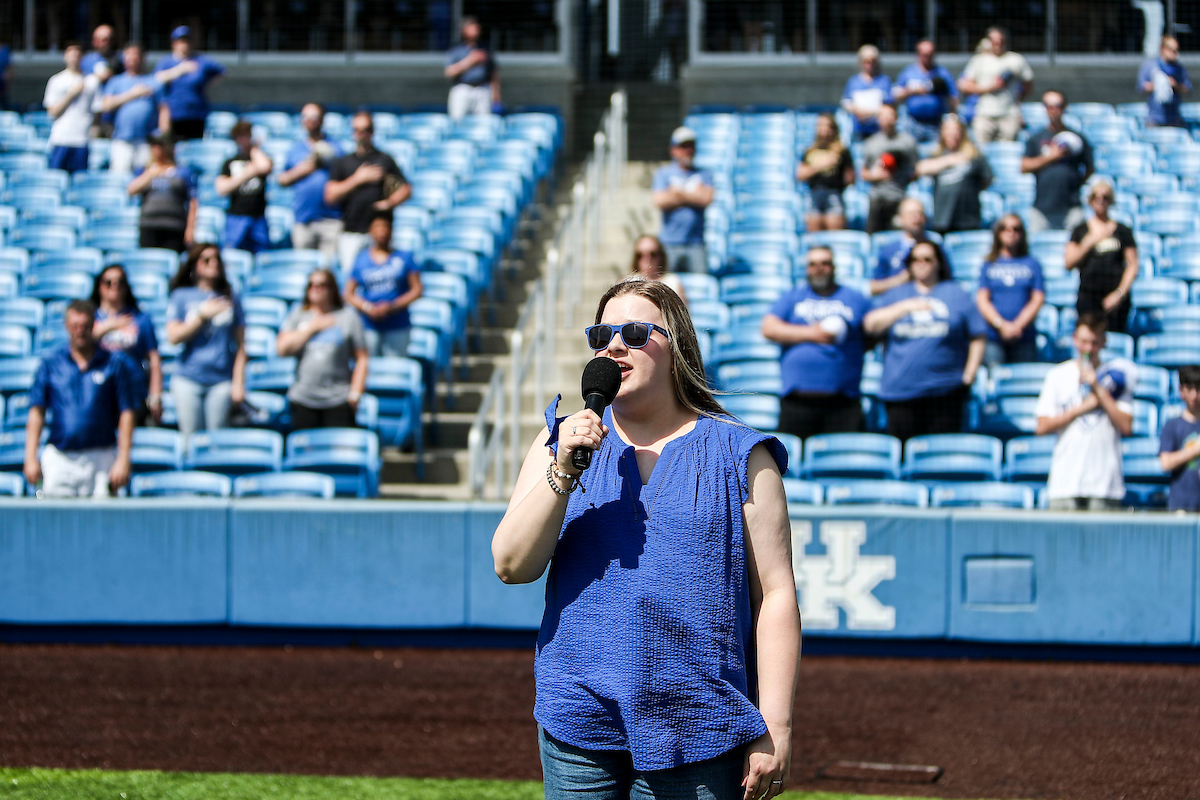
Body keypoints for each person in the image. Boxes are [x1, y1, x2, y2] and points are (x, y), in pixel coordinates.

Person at [492, 279, 799, 800]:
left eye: (634, 332)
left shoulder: (743, 454)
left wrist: (777, 725)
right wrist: (563, 469)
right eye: (602, 334)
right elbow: (512, 564)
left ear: (676, 344)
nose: (613, 346)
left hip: (699, 726)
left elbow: (774, 595)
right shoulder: (558, 442)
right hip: (578, 724)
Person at [864, 241, 987, 442]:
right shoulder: (896, 295)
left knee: (941, 463)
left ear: (938, 263)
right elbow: (871, 325)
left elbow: (978, 335)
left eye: (927, 259)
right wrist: (905, 307)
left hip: (945, 393)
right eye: (916, 259)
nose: (921, 264)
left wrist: (969, 375)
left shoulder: (956, 294)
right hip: (900, 393)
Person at [23, 300, 138, 499]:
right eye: (75, 326)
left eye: (85, 326)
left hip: (101, 455)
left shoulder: (113, 363)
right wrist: (30, 456)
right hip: (61, 456)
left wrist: (123, 458)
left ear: (93, 325)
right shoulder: (51, 363)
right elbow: (37, 411)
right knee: (56, 521)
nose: (80, 332)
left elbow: (126, 412)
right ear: (66, 326)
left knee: (103, 522)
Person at [762, 246, 872, 439]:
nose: (819, 268)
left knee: (841, 465)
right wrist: (813, 334)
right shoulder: (792, 297)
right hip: (797, 402)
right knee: (788, 464)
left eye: (825, 263)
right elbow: (769, 328)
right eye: (813, 264)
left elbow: (874, 331)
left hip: (843, 403)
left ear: (834, 267)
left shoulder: (854, 299)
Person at [1035, 314, 1136, 511]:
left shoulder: (1116, 376)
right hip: (1065, 483)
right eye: (1083, 342)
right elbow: (1042, 426)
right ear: (1074, 339)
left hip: (1105, 484)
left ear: (1104, 342)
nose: (1088, 349)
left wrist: (1097, 388)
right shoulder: (1057, 375)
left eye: (1094, 343)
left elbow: (1126, 426)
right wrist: (1082, 408)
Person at [166, 244, 247, 440]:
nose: (213, 264)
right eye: (207, 259)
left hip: (220, 380)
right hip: (188, 378)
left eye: (217, 259)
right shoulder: (181, 296)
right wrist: (201, 315)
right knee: (191, 440)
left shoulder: (230, 296)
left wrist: (239, 383)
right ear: (195, 266)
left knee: (217, 442)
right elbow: (174, 337)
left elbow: (241, 346)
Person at [277, 268, 369, 431]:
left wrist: (355, 393)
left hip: (338, 398)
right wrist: (311, 328)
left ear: (332, 288)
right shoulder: (298, 315)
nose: (316, 289)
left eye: (321, 285)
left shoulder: (348, 317)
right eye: (311, 285)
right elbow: (282, 349)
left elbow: (362, 357)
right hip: (304, 398)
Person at [325, 112, 411, 273]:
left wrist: (390, 202)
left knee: (381, 276)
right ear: (352, 133)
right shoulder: (343, 162)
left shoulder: (384, 160)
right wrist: (357, 179)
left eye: (366, 130)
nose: (362, 135)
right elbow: (330, 195)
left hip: (379, 231)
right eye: (358, 130)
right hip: (352, 231)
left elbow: (406, 189)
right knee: (351, 276)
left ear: (372, 132)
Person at [90, 264, 163, 425]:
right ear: (100, 286)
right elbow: (79, 347)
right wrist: (108, 327)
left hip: (133, 390)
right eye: (109, 282)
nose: (114, 286)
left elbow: (154, 359)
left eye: (120, 282)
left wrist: (155, 394)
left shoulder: (140, 319)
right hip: (99, 391)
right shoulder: (90, 318)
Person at [343, 214, 423, 357]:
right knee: (369, 368)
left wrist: (393, 306)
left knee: (395, 368)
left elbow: (417, 290)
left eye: (385, 227)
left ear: (392, 230)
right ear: (370, 231)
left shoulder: (404, 257)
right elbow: (348, 293)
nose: (381, 231)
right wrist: (367, 308)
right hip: (369, 325)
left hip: (398, 324)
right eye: (377, 227)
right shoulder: (361, 259)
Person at [1065, 181, 1138, 334]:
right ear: (1090, 200)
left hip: (1115, 299)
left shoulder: (1122, 230)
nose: (1100, 201)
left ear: (1111, 200)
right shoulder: (1080, 230)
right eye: (1096, 197)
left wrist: (1119, 294)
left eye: (1105, 197)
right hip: (1088, 298)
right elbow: (1069, 262)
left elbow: (1132, 265)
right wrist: (1089, 241)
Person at [975, 214, 1045, 368]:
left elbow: (1037, 298)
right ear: (998, 233)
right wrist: (1001, 325)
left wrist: (1017, 326)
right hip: (994, 337)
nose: (1011, 232)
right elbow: (982, 299)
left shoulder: (1032, 263)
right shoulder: (989, 264)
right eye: (1005, 228)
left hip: (1024, 336)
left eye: (1016, 229)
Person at [279, 102, 343, 266]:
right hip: (304, 220)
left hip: (331, 220)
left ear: (322, 119)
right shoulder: (295, 149)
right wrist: (301, 170)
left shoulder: (335, 147)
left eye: (314, 117)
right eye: (306, 117)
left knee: (327, 272)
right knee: (304, 269)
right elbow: (282, 180)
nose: (310, 121)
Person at [1021, 91, 1094, 234]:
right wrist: (1050, 157)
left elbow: (1089, 168)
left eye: (1057, 106)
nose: (1053, 110)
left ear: (1064, 107)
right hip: (1042, 206)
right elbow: (1024, 166)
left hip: (1071, 206)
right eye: (1049, 106)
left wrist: (1077, 181)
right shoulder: (1036, 138)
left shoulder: (1078, 138)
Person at [914, 114, 992, 235]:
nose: (952, 134)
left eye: (956, 130)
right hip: (943, 218)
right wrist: (950, 160)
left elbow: (987, 179)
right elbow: (920, 169)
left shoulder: (974, 155)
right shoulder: (937, 155)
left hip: (968, 217)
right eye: (948, 130)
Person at [651, 126, 714, 274]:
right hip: (669, 244)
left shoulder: (705, 173)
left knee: (699, 286)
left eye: (691, 146)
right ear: (673, 149)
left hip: (696, 244)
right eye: (683, 146)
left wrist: (678, 193)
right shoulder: (664, 173)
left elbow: (707, 198)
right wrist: (693, 194)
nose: (688, 150)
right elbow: (659, 200)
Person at [958, 27, 1033, 144]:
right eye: (994, 42)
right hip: (984, 115)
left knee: (1007, 152)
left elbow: (1028, 84)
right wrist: (991, 87)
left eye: (1001, 42)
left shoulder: (1016, 59)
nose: (998, 45)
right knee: (981, 151)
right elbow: (964, 85)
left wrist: (1018, 99)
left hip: (1009, 114)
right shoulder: (979, 60)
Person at [99, 43, 164, 176]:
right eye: (129, 55)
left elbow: (163, 109)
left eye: (136, 55)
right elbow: (106, 105)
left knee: (144, 177)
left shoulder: (153, 81)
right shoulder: (115, 82)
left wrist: (162, 134)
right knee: (119, 177)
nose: (133, 59)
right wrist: (133, 94)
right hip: (122, 140)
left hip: (146, 140)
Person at [127, 133, 196, 253]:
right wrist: (150, 173)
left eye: (160, 145)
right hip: (149, 224)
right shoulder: (145, 171)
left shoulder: (182, 172)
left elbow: (193, 201)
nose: (157, 149)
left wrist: (190, 229)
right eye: (154, 145)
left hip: (174, 225)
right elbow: (131, 190)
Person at [154, 26, 225, 141]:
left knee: (195, 145)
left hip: (196, 114)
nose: (184, 44)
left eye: (187, 41)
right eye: (181, 41)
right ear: (174, 43)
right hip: (174, 114)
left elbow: (221, 71)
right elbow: (157, 79)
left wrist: (206, 83)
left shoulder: (201, 60)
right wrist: (179, 70)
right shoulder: (166, 62)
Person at [216, 120, 273, 254]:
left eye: (246, 135)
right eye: (240, 136)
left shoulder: (259, 157)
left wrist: (254, 148)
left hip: (258, 217)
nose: (243, 139)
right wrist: (247, 173)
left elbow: (265, 167)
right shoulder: (229, 162)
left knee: (261, 252)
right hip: (236, 217)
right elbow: (221, 189)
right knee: (233, 252)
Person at [861, 103, 918, 235]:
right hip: (877, 199)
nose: (887, 119)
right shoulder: (871, 143)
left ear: (896, 117)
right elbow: (863, 172)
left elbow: (916, 170)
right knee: (874, 236)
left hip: (899, 197)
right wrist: (874, 175)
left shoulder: (908, 142)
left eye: (890, 115)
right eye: (883, 115)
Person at [43, 42, 101, 174]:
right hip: (60, 139)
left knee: (79, 181)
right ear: (65, 57)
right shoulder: (56, 80)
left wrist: (94, 128)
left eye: (78, 54)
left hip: (81, 139)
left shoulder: (92, 81)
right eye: (71, 54)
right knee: (56, 178)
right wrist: (71, 94)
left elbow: (97, 109)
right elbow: (52, 112)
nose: (74, 57)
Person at [796, 113, 854, 232]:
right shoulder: (809, 151)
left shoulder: (842, 151)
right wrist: (822, 165)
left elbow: (850, 178)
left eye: (827, 126)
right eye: (821, 125)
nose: (824, 129)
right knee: (814, 235)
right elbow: (800, 175)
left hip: (834, 193)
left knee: (835, 232)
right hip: (814, 194)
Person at [893, 39, 958, 143]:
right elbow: (896, 94)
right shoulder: (908, 72)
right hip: (912, 123)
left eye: (930, 54)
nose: (927, 57)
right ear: (918, 55)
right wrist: (913, 91)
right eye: (924, 54)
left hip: (936, 124)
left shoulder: (942, 73)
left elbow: (954, 98)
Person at [1159, 365, 1200, 512]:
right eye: (1190, 389)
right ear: (1181, 391)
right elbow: (1166, 463)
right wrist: (1194, 450)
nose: (1194, 395)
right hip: (1180, 504)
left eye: (1198, 389)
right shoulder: (1172, 425)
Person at [869, 197, 929, 296]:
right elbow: (873, 288)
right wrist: (900, 280)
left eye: (920, 214)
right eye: (911, 214)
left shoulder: (935, 248)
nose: (917, 218)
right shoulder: (887, 249)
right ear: (900, 218)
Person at [444, 15, 500, 121]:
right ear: (464, 30)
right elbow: (449, 72)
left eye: (477, 26)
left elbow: (493, 72)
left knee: (483, 123)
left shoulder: (485, 48)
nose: (476, 29)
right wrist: (470, 61)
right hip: (462, 89)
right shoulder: (456, 49)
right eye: (472, 26)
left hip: (482, 89)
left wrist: (496, 93)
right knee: (457, 122)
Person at [841, 45, 892, 142]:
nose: (870, 64)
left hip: (879, 131)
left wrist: (869, 112)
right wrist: (856, 109)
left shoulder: (885, 81)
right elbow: (846, 103)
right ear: (861, 62)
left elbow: (890, 105)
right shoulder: (853, 81)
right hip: (859, 130)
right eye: (866, 61)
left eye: (873, 61)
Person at [1139, 35, 1191, 128]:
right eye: (1172, 50)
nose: (1175, 53)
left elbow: (1187, 89)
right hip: (1154, 119)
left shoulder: (1179, 68)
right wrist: (1159, 84)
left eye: (1176, 50)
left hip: (1174, 119)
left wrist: (1175, 85)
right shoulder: (1149, 65)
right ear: (1163, 49)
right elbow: (1142, 87)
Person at [628, 234, 686, 303]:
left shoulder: (673, 282)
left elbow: (683, 311)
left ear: (661, 256)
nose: (647, 259)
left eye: (652, 254)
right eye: (640, 255)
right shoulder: (628, 283)